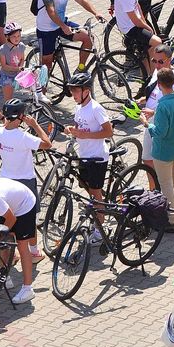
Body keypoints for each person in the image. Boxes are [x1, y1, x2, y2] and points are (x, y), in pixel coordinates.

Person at [0, 99, 51, 262]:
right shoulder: (24, 137)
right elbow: (48, 144)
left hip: (5, 181)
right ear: (20, 117)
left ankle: (8, 256)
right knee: (29, 218)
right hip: (25, 183)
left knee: (7, 220)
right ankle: (33, 253)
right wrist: (35, 125)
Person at [64, 72, 114, 237]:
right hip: (84, 155)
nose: (73, 95)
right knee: (91, 191)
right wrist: (71, 129)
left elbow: (108, 132)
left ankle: (100, 232)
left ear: (87, 91)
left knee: (96, 194)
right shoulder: (79, 107)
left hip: (97, 157)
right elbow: (79, 127)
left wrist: (87, 135)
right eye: (72, 91)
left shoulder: (96, 109)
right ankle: (97, 216)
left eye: (76, 91)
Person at [35, 0, 105, 70]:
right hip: (46, 29)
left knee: (88, 38)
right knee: (46, 65)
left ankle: (80, 69)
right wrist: (63, 26)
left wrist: (95, 13)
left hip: (62, 23)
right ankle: (41, 86)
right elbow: (51, 11)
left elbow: (81, 0)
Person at [146, 68, 174, 230]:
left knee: (166, 184)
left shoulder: (163, 106)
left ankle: (171, 219)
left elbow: (159, 133)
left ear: (159, 85)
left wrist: (147, 124)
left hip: (163, 152)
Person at [115, 0, 158, 73]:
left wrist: (144, 21)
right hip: (129, 27)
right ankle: (153, 75)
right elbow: (135, 20)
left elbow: (137, 6)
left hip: (135, 23)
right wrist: (148, 27)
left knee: (146, 49)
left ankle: (149, 74)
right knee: (157, 42)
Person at [0, 22, 27, 102]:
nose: (17, 38)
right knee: (8, 100)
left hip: (17, 73)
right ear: (7, 37)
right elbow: (4, 66)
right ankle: (6, 113)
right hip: (7, 76)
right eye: (14, 36)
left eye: (18, 36)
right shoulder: (3, 49)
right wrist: (17, 69)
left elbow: (22, 59)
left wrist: (20, 67)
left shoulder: (21, 46)